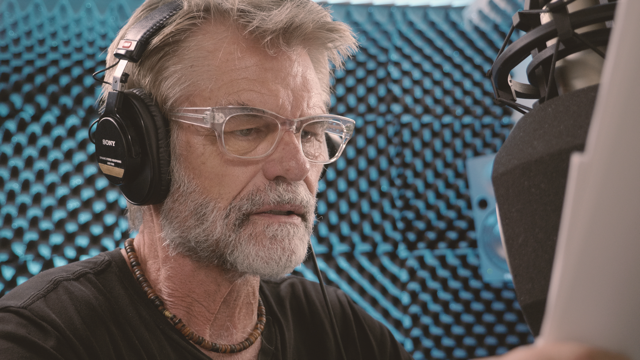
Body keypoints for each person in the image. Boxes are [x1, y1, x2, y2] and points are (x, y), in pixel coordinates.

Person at [0, 1, 630, 360]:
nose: (297, 166)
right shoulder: (40, 338)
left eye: (310, 132)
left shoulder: (346, 333)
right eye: (246, 128)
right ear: (137, 147)